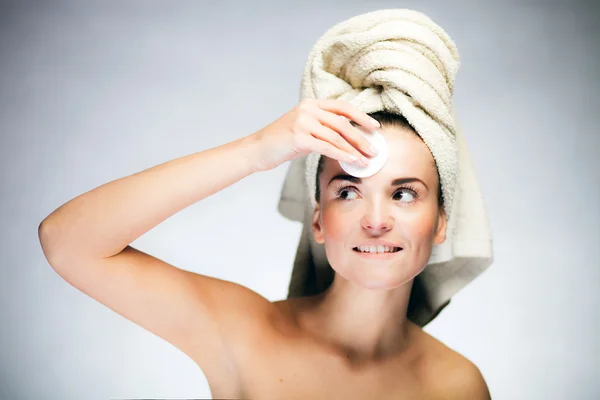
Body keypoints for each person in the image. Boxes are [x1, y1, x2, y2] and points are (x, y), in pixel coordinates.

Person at [38, 97, 490, 398]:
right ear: (318, 220)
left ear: (440, 224)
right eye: (348, 193)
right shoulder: (242, 332)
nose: (376, 220)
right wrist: (255, 151)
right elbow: (67, 243)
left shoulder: (457, 385)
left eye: (404, 193)